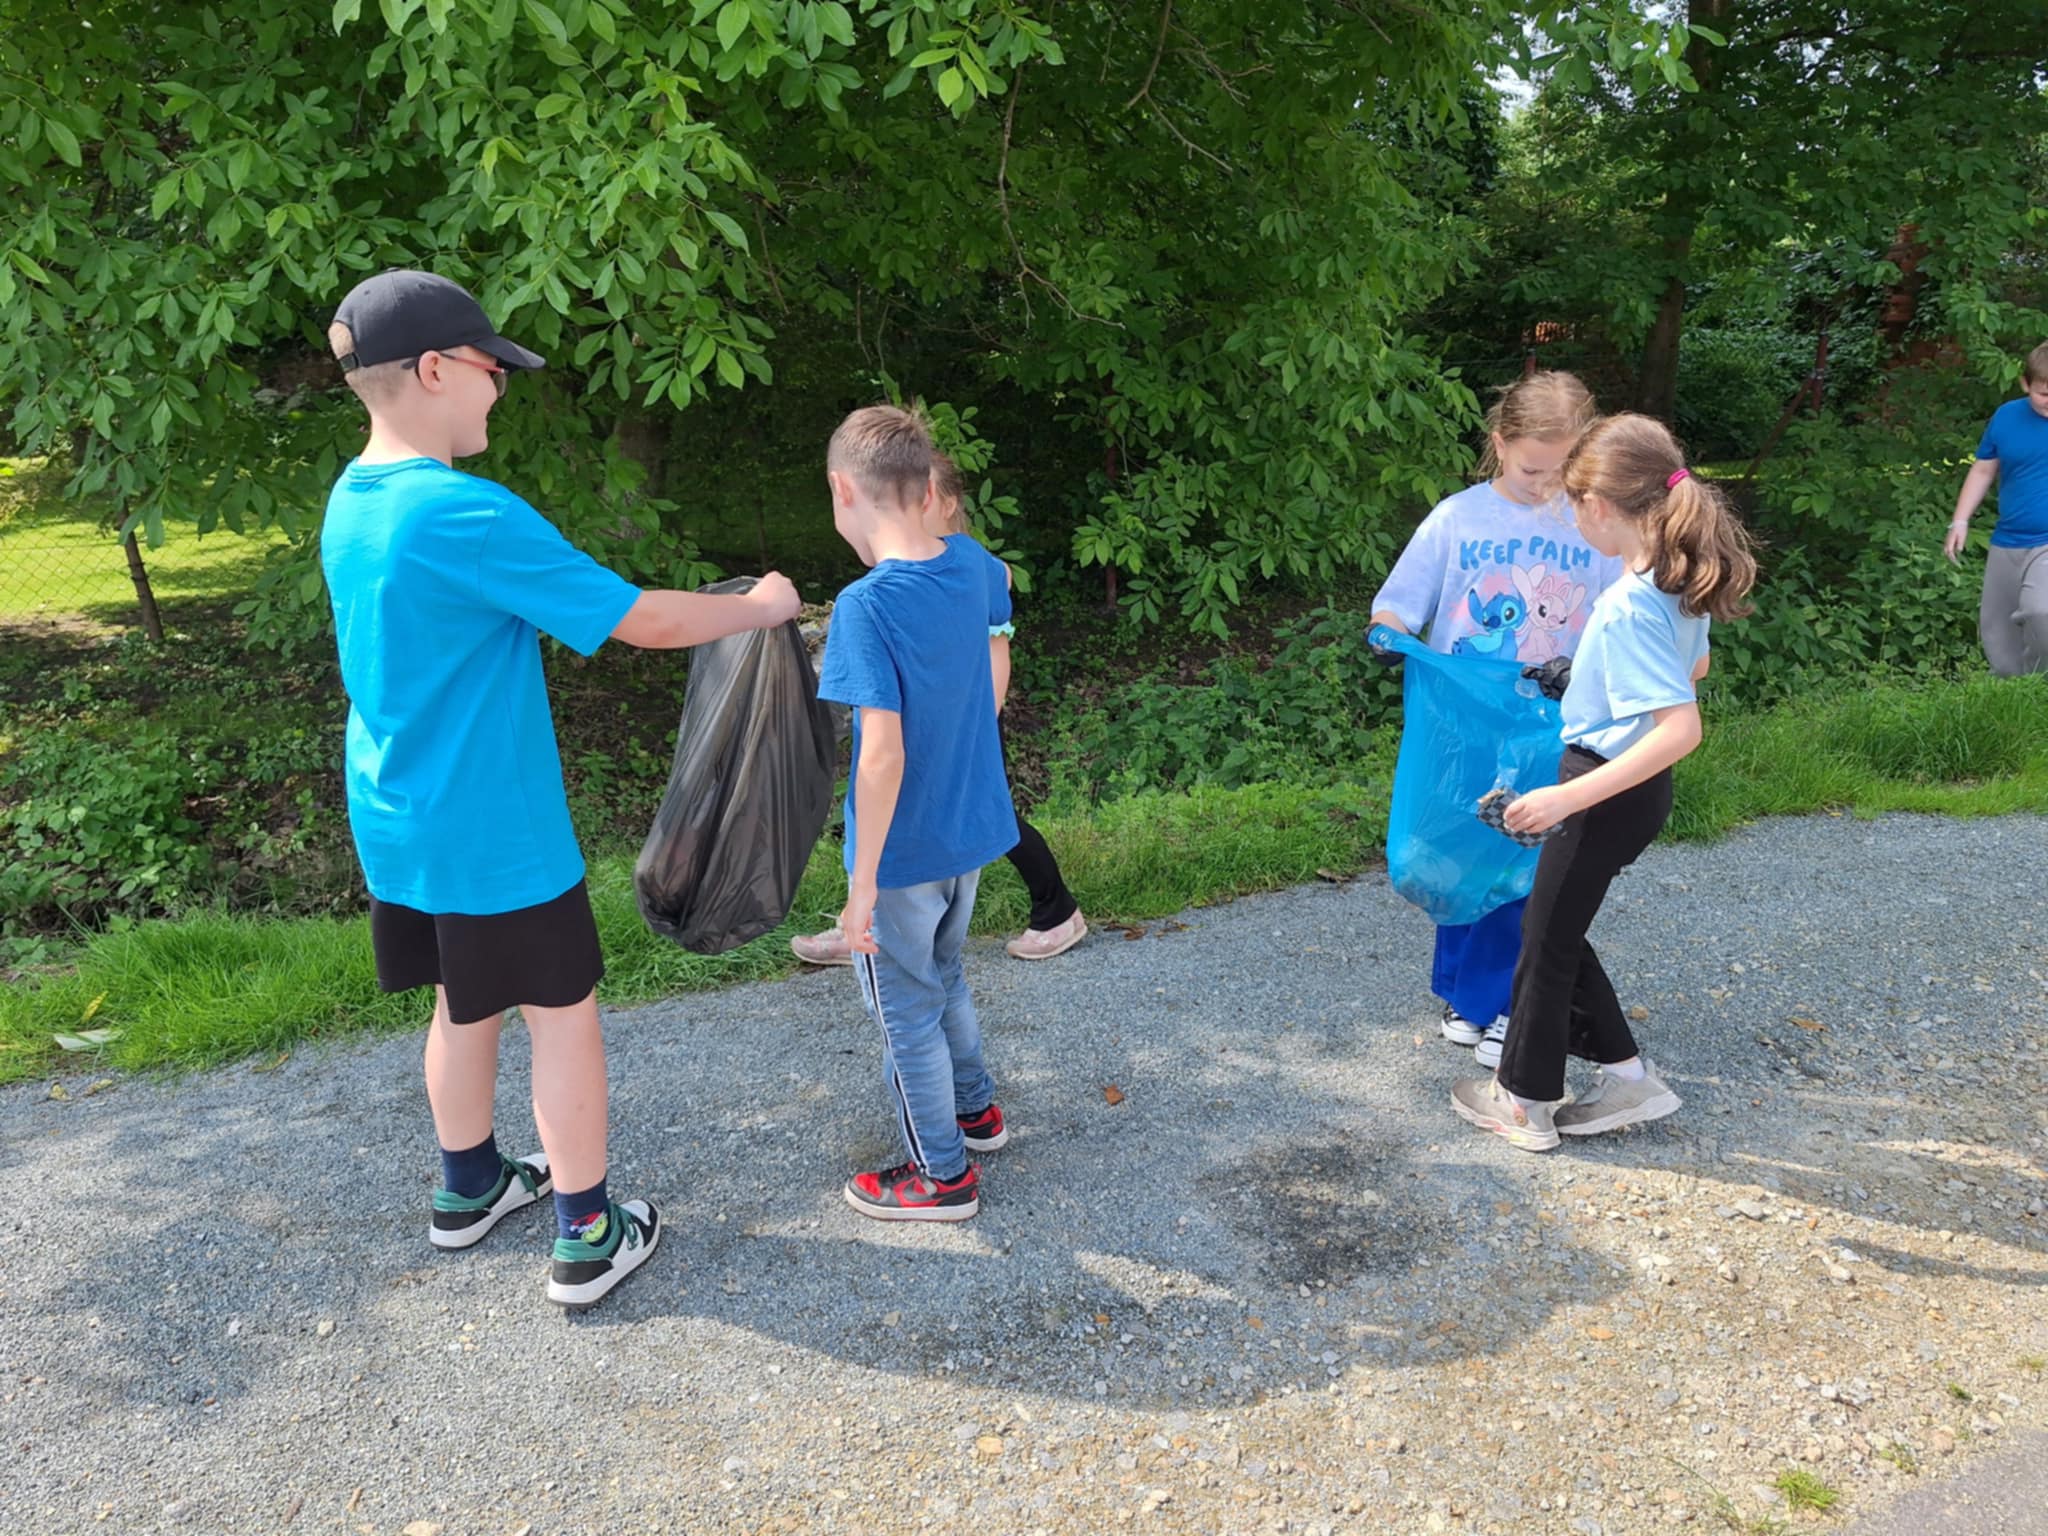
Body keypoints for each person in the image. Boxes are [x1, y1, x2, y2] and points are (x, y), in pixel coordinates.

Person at [319, 269, 799, 1305]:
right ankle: (587, 1233)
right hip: (496, 827)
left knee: (462, 1000)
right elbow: (641, 620)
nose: (499, 387)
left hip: (400, 816)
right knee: (561, 1012)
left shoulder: (352, 500)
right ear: (435, 370)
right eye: (491, 369)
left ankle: (469, 1187)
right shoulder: (462, 512)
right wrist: (762, 607)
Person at [1451, 413, 1757, 1152]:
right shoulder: (1672, 575)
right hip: (1631, 790)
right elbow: (1692, 666)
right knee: (1553, 928)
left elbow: (1681, 727)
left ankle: (1523, 1103)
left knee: (1545, 942)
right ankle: (1628, 1080)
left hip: (1603, 786)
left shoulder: (1628, 602)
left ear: (1597, 506)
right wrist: (1582, 681)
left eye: (1571, 503)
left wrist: (1566, 797)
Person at [1369, 371, 1617, 1069]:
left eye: (1561, 470)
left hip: (1552, 724)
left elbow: (1621, 616)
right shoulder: (1457, 519)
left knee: (1527, 863)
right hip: (1465, 724)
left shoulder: (1593, 522)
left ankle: (1510, 1004)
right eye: (1532, 468)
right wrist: (1388, 636)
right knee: (1455, 857)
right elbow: (1396, 604)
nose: (1545, 485)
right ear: (1500, 444)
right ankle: (1466, 995)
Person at [815, 406, 1020, 1220]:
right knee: (947, 975)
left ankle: (942, 1176)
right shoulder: (971, 564)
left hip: (902, 853)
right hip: (969, 830)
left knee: (906, 1010)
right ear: (929, 489)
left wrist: (861, 885)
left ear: (843, 491)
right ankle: (976, 1113)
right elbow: (1001, 585)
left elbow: (881, 756)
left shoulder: (865, 606)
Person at [792, 452, 1086, 968]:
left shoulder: (967, 565)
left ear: (940, 501)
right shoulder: (909, 575)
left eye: (913, 497)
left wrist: (981, 716)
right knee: (892, 807)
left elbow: (998, 625)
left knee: (987, 814)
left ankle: (1057, 910)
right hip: (934, 716)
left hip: (968, 719)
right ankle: (866, 919)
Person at [1945, 341, 2048, 676]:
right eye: (2044, 394)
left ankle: (2040, 681)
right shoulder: (2006, 416)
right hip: (2007, 540)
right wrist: (1960, 521)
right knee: (1998, 632)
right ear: (2025, 383)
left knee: (2042, 612)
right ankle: (2015, 695)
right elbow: (1983, 470)